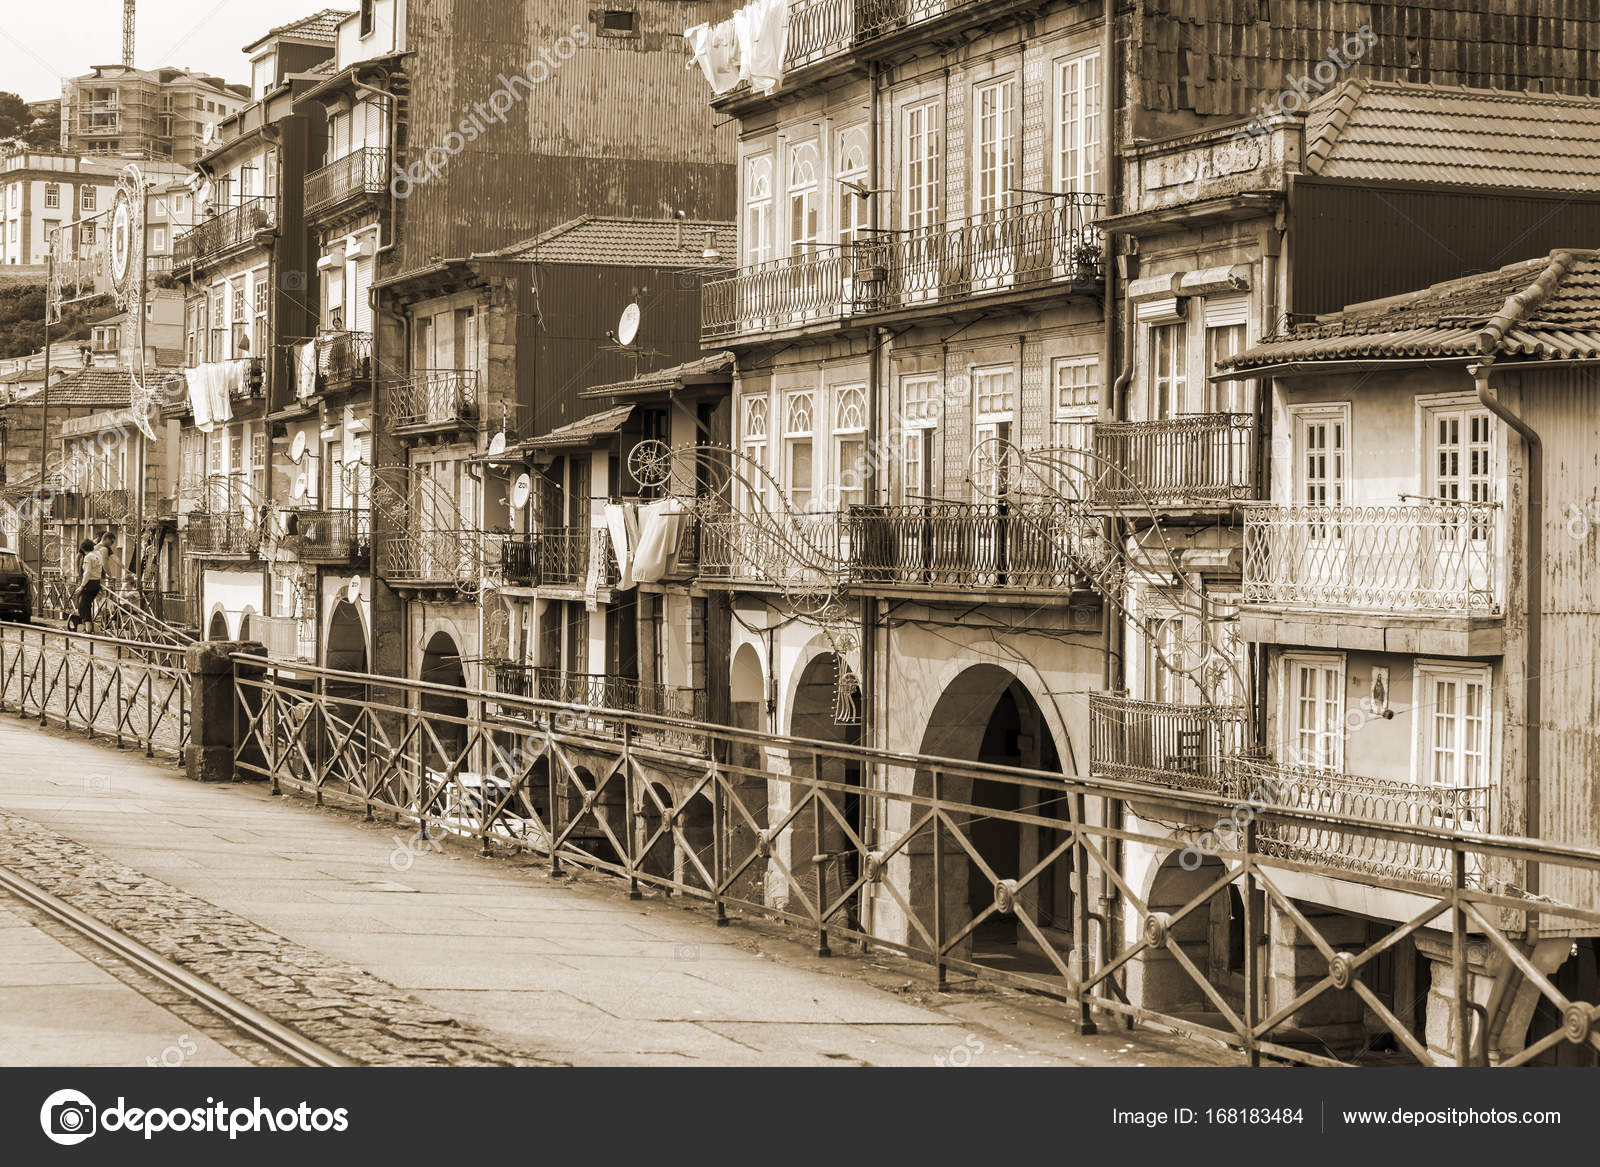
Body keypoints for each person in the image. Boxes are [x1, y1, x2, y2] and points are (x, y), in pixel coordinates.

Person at [69, 540, 103, 631]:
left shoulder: (88, 557)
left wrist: (82, 586)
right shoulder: (98, 554)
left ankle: (88, 628)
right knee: (85, 604)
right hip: (97, 582)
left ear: (83, 549)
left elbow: (87, 572)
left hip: (89, 583)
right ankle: (86, 626)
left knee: (84, 605)